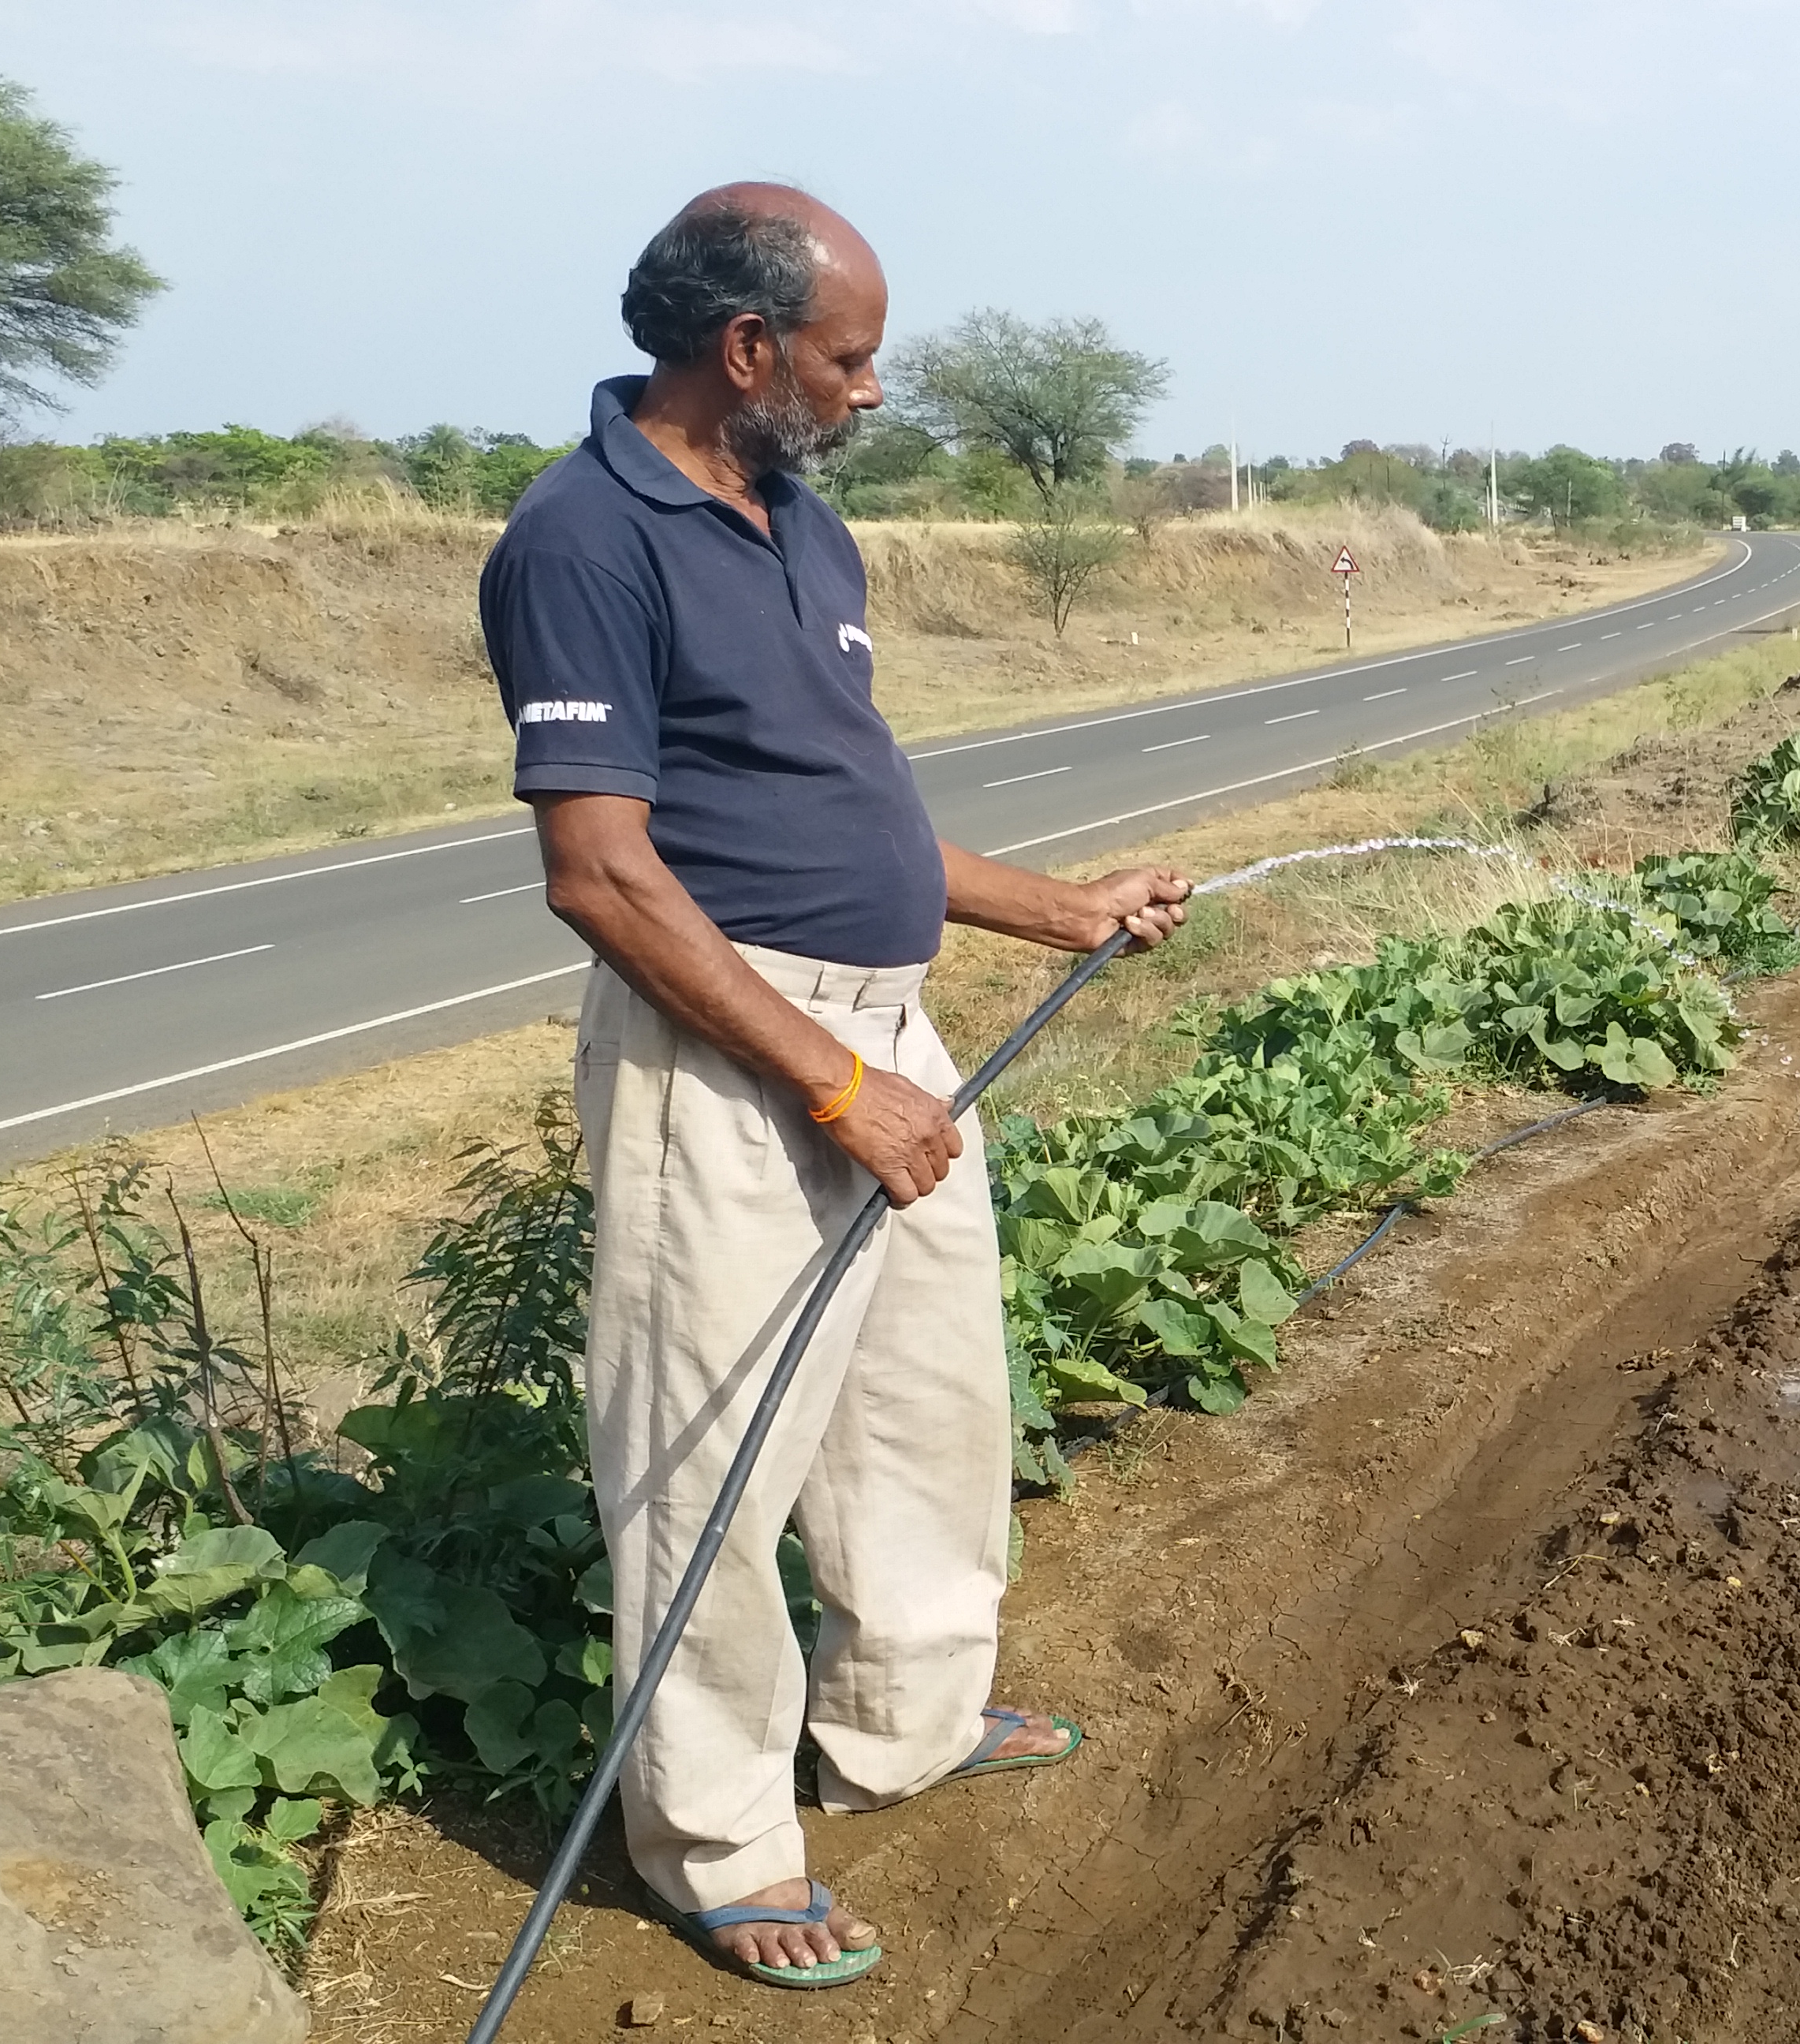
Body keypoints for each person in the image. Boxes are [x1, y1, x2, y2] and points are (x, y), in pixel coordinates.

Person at [479, 182, 1189, 1990]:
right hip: (735, 1058)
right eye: (850, 357)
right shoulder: (584, 538)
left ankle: (904, 1722)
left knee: (921, 1399)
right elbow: (606, 874)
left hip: (885, 1026)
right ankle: (719, 1846)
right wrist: (827, 1086)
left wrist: (1060, 907)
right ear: (748, 349)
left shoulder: (797, 522)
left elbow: (837, 807)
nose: (871, 392)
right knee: (710, 1447)